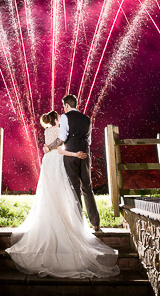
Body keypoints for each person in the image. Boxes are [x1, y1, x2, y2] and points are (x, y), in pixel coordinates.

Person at [6, 111, 119, 278]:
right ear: (55, 119)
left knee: (50, 193)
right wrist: (76, 154)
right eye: (58, 117)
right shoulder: (59, 130)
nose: (60, 118)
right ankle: (71, 220)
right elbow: (60, 149)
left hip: (48, 162)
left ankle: (53, 218)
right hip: (58, 161)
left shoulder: (47, 131)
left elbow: (51, 148)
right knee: (64, 191)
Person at [43, 94, 101, 232]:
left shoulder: (65, 117)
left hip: (71, 157)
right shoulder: (87, 119)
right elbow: (89, 141)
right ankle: (96, 222)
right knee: (87, 188)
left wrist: (49, 147)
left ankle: (78, 223)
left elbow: (62, 138)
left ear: (67, 105)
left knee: (74, 189)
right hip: (85, 155)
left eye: (64, 106)